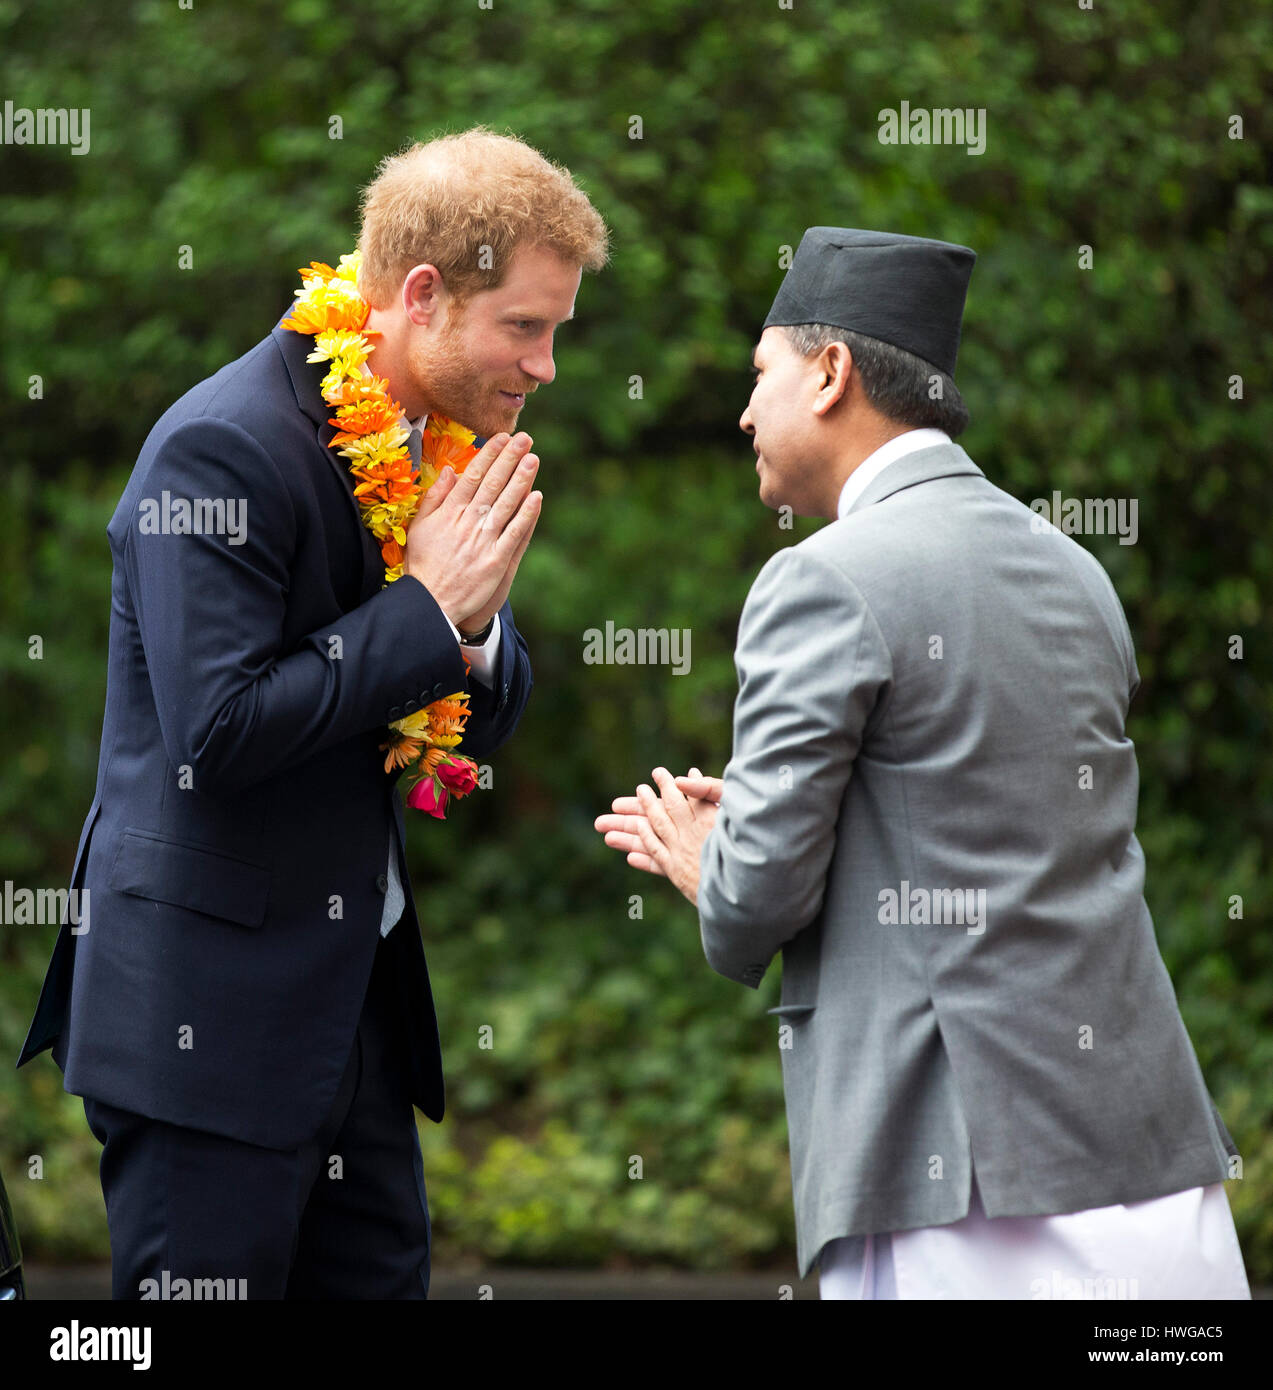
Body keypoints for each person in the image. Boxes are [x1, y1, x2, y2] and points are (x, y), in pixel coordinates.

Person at [596, 226, 1249, 1300]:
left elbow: (757, 899)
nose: (745, 413)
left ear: (832, 373)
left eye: (760, 377)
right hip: (1149, 1169)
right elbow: (980, 812)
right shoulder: (1075, 569)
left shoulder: (824, 578)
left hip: (965, 1188)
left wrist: (709, 855)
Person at [17, 128, 609, 1299]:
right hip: (209, 1032)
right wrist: (433, 605)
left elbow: (463, 724)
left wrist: (473, 631)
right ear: (425, 295)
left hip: (356, 1025)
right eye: (526, 327)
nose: (544, 365)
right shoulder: (220, 448)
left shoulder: (428, 444)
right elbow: (218, 734)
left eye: (556, 332)